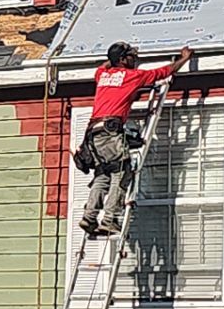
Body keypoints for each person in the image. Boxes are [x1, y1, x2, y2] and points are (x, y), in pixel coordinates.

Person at [78, 40, 193, 237]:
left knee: (103, 174)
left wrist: (114, 58)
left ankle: (89, 217)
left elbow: (106, 64)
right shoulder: (133, 76)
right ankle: (110, 219)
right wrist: (184, 58)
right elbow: (164, 72)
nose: (135, 60)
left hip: (93, 135)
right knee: (121, 173)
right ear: (123, 59)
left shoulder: (102, 75)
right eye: (132, 56)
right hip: (110, 131)